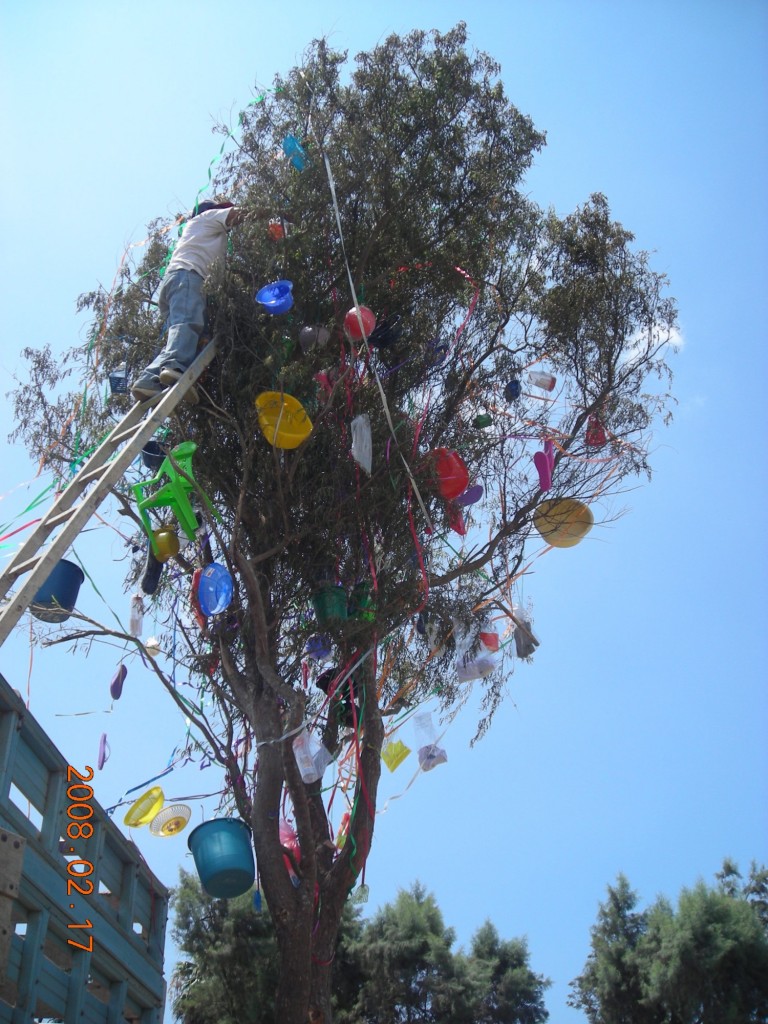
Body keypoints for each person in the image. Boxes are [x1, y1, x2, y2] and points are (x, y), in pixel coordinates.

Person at [131, 197, 247, 403]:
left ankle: (149, 380)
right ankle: (175, 367)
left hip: (178, 282)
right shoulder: (207, 217)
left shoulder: (202, 234)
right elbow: (237, 214)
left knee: (188, 334)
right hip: (189, 277)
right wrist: (271, 211)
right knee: (187, 324)